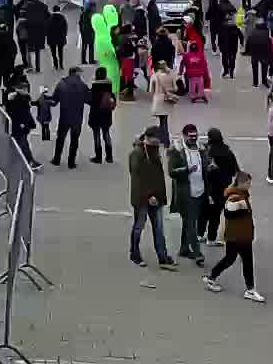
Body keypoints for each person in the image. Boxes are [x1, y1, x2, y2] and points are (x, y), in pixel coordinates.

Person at [204, 171, 263, 302]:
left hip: (237, 235)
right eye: (248, 183)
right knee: (246, 262)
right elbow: (229, 212)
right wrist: (243, 209)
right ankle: (250, 290)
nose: (249, 185)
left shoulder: (239, 194)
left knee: (230, 259)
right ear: (241, 183)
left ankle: (211, 277)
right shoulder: (235, 196)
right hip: (240, 235)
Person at [127, 127, 175, 269]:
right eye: (158, 138)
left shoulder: (154, 150)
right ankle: (134, 253)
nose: (160, 141)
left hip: (157, 197)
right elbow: (138, 178)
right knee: (139, 226)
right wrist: (149, 195)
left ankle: (162, 256)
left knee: (159, 228)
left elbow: (157, 177)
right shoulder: (137, 153)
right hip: (142, 198)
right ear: (150, 137)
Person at [166, 125, 208, 265]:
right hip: (185, 193)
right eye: (190, 136)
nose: (193, 139)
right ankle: (197, 253)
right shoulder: (176, 150)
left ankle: (184, 248)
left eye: (195, 135)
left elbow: (205, 165)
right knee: (191, 223)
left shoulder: (201, 148)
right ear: (184, 136)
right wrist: (186, 170)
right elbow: (171, 172)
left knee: (189, 222)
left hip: (200, 190)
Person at [201, 128, 238, 246]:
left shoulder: (207, 152)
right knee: (216, 215)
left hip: (208, 187)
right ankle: (211, 238)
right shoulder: (227, 151)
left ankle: (200, 234)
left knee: (205, 212)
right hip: (223, 188)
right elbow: (234, 170)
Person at [3, 80, 41, 170]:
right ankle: (28, 162)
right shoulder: (21, 100)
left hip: (17, 126)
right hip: (20, 127)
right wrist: (28, 124)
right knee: (22, 144)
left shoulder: (14, 99)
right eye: (25, 89)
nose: (27, 90)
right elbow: (24, 114)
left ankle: (29, 160)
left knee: (22, 144)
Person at [88, 67, 116, 163]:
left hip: (95, 116)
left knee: (96, 136)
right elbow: (113, 103)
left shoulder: (94, 90)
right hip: (106, 116)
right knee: (106, 134)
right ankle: (109, 156)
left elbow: (89, 101)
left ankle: (98, 157)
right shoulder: (109, 90)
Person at [148, 60, 179, 143]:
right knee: (165, 120)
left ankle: (164, 138)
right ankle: (165, 137)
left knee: (162, 121)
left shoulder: (154, 76)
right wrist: (169, 90)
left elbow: (151, 91)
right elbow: (176, 89)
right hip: (168, 100)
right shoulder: (171, 75)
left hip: (158, 101)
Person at [47, 4, 69, 69]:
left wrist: (48, 36)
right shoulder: (62, 18)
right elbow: (65, 28)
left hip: (52, 38)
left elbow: (47, 28)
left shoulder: (50, 18)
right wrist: (64, 35)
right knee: (60, 52)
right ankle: (61, 65)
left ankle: (55, 64)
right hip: (60, 38)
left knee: (53, 53)